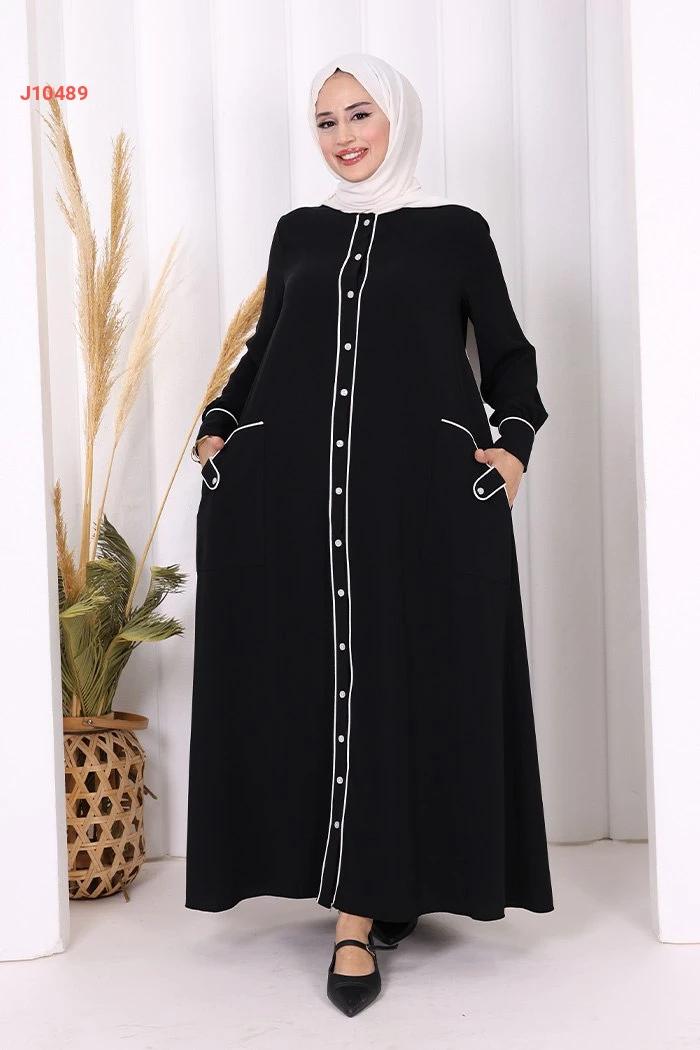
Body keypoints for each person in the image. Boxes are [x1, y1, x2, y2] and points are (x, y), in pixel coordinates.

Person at [185, 51, 554, 1018]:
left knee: (400, 682)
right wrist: (219, 424)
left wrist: (513, 445)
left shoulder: (455, 231)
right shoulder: (299, 232)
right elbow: (265, 348)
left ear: (396, 117)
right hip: (295, 501)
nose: (343, 136)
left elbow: (509, 355)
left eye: (360, 115)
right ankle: (363, 899)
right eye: (326, 121)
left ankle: (367, 907)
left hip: (419, 503)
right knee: (319, 679)